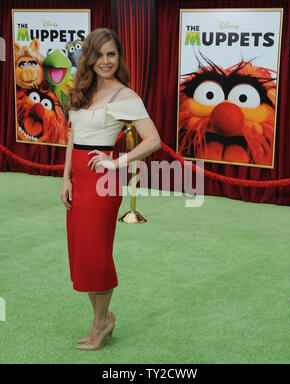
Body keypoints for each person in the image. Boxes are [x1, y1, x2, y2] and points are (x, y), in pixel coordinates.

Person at [61, 28, 161, 351]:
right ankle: (104, 319)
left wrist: (116, 163)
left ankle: (100, 326)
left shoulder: (126, 96)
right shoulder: (82, 91)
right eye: (99, 54)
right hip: (78, 179)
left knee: (97, 256)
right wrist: (65, 178)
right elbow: (72, 137)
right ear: (88, 58)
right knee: (81, 256)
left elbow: (153, 140)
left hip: (102, 184)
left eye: (111, 54)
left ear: (119, 58)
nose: (105, 61)